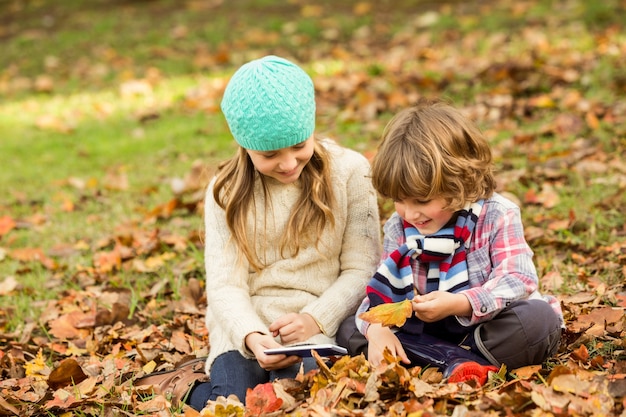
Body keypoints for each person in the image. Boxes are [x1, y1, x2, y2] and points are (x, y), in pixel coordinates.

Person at [135, 55, 381, 410]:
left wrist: (314, 318)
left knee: (295, 401)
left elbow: (362, 269)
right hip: (245, 329)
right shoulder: (225, 191)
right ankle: (185, 386)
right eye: (269, 154)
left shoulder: (351, 172)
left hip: (317, 328)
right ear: (244, 144)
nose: (287, 163)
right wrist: (251, 335)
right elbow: (225, 284)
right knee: (229, 404)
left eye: (299, 146)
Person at [337, 98, 564, 386]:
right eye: (399, 200)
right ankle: (456, 362)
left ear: (460, 183)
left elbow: (518, 279)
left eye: (421, 200)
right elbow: (381, 288)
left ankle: (436, 361)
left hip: (483, 327)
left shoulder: (496, 214)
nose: (410, 213)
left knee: (538, 320)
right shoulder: (400, 226)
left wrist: (460, 303)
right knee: (349, 329)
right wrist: (377, 331)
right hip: (425, 330)